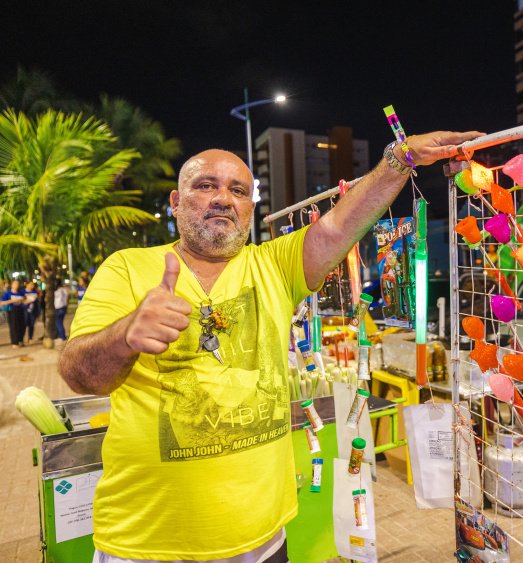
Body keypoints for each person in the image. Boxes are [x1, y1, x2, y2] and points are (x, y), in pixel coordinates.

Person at [58, 131, 482, 562]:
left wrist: (399, 159)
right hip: (147, 543)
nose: (222, 198)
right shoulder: (127, 267)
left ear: (250, 209)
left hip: (263, 541)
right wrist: (127, 332)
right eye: (206, 185)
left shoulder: (274, 265)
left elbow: (339, 224)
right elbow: (80, 376)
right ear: (175, 200)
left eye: (237, 190)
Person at [0, 280, 26, 348]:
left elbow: (25, 300)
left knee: (21, 325)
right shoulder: (7, 293)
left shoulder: (20, 293)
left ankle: (20, 340)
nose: (16, 285)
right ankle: (14, 342)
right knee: (14, 326)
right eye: (15, 284)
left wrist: (23, 300)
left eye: (17, 284)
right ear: (12, 285)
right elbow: (2, 303)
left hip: (20, 310)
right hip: (12, 311)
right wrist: (13, 301)